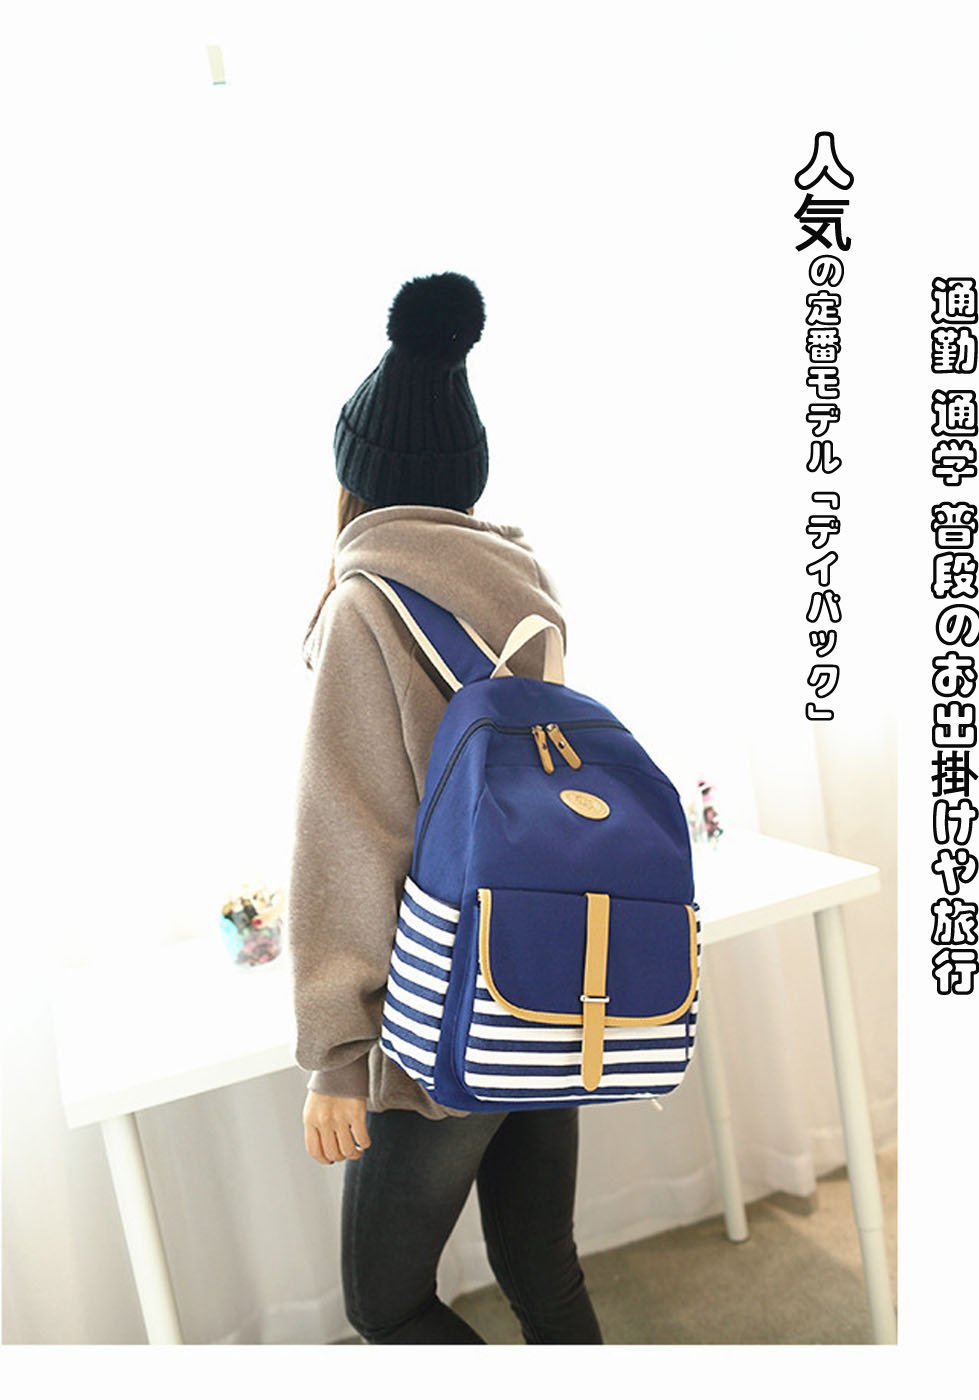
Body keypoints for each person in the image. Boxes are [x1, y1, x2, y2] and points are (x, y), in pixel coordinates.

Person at [287, 271, 604, 1345]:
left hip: (441, 1012)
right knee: (540, 1266)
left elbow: (349, 834)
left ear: (354, 481)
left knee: (385, 1303)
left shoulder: (363, 606)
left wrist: (339, 1057)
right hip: (546, 976)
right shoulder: (524, 584)